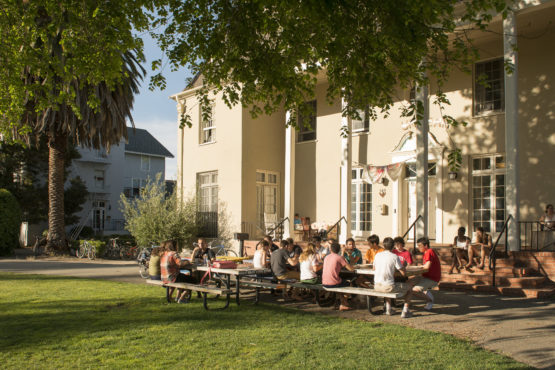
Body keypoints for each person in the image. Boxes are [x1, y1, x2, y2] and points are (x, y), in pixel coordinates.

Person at [402, 237, 441, 318]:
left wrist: (416, 268)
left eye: (420, 246)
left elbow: (426, 267)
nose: (418, 247)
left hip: (432, 278)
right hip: (424, 276)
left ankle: (429, 300)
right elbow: (425, 266)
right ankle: (405, 308)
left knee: (413, 290)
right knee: (406, 284)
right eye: (418, 246)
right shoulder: (427, 252)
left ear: (425, 245)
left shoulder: (429, 252)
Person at [373, 237, 407, 315]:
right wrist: (403, 266)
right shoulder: (394, 256)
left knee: (388, 284)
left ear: (384, 245)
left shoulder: (377, 255)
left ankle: (389, 309)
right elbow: (403, 274)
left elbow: (374, 268)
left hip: (376, 286)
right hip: (387, 287)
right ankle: (406, 310)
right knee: (410, 288)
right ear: (393, 246)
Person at [322, 241, 355, 311]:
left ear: (330, 249)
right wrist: (354, 267)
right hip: (333, 283)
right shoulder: (339, 257)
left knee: (340, 284)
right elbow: (351, 269)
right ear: (339, 250)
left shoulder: (326, 257)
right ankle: (343, 303)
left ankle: (343, 302)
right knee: (350, 284)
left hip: (324, 283)